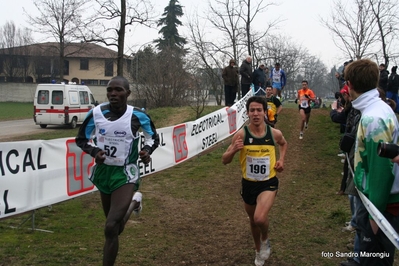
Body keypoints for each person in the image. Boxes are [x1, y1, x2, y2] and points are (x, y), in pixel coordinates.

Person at [75, 76, 160, 266]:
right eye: (110, 90)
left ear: (128, 93)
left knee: (110, 226)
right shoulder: (96, 113)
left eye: (118, 90)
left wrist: (147, 151)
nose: (113, 94)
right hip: (104, 173)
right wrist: (95, 151)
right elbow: (81, 139)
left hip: (125, 174)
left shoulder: (138, 115)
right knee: (115, 228)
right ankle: (135, 202)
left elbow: (153, 138)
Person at [222, 96, 287, 266]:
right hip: (248, 184)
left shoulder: (274, 133)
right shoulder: (241, 135)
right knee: (252, 220)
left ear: (265, 112)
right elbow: (224, 160)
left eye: (259, 110)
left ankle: (265, 239)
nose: (256, 114)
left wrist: (281, 160)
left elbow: (283, 143)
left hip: (268, 183)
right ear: (248, 113)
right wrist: (233, 151)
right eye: (252, 110)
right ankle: (258, 251)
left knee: (259, 218)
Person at [346, 59, 399, 265]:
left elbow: (381, 171)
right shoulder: (376, 108)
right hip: (372, 201)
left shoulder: (373, 118)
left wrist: (375, 218)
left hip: (378, 206)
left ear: (349, 84)